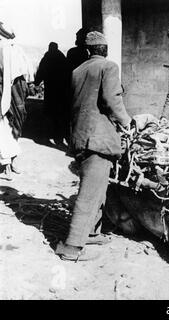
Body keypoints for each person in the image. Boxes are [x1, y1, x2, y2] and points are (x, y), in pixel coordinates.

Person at [55, 31, 136, 261]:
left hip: (81, 138)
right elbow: (112, 100)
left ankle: (92, 232)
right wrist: (127, 121)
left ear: (89, 51)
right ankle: (71, 247)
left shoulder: (77, 71)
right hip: (98, 140)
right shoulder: (108, 67)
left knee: (98, 188)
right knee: (90, 193)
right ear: (105, 50)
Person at [0, 20, 33, 180]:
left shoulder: (15, 50)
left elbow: (25, 76)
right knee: (3, 127)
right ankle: (5, 164)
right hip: (3, 92)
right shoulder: (5, 50)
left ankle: (12, 161)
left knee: (16, 125)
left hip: (15, 93)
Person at [34, 42, 71, 147]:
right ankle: (58, 136)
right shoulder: (61, 57)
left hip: (50, 89)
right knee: (59, 113)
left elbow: (41, 71)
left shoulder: (47, 57)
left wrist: (36, 82)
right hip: (61, 89)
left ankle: (48, 135)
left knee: (49, 113)